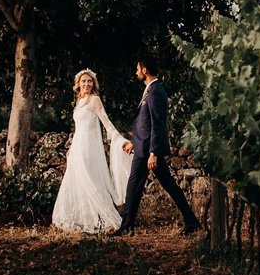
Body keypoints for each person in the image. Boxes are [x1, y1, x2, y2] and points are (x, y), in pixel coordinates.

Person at [114, 55, 202, 236]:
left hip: (148, 150)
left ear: (144, 70)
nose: (136, 71)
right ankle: (192, 221)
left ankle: (126, 227)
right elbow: (144, 123)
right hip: (143, 146)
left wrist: (153, 152)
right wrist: (135, 142)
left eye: (138, 68)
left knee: (134, 185)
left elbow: (157, 123)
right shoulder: (150, 90)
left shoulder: (155, 92)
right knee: (167, 184)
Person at [51, 69, 132, 233]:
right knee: (78, 181)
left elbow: (107, 123)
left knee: (93, 181)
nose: (87, 84)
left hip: (89, 148)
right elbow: (78, 129)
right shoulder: (79, 102)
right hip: (78, 147)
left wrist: (120, 140)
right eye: (84, 81)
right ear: (78, 85)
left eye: (90, 81)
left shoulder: (95, 100)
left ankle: (111, 221)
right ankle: (83, 219)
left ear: (93, 84)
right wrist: (71, 148)